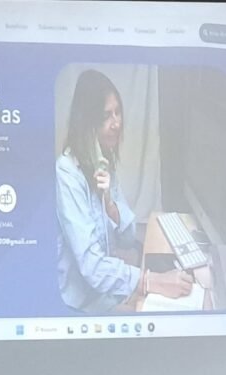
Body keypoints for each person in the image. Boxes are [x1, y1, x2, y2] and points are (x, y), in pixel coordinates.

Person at [56, 69, 193, 313]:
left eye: (118, 112)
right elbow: (92, 267)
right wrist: (150, 281)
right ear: (87, 121)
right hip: (80, 305)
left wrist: (111, 206)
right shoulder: (66, 173)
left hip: (104, 292)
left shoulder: (102, 162)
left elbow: (128, 239)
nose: (117, 123)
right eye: (106, 116)